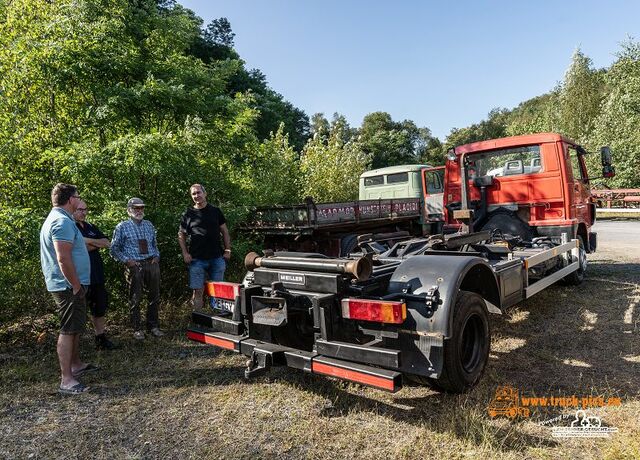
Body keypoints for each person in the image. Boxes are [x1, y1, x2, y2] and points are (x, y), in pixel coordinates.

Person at [40, 183, 97, 395]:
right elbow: (63, 258)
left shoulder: (61, 220)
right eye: (77, 196)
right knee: (68, 328)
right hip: (67, 285)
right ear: (71, 199)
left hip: (71, 283)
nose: (79, 200)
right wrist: (75, 285)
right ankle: (67, 380)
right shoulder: (61, 221)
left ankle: (75, 365)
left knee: (75, 326)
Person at [110, 197, 164, 340]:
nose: (139, 211)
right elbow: (114, 249)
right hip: (135, 266)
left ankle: (153, 326)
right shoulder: (122, 227)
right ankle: (137, 328)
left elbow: (154, 245)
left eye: (141, 208)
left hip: (151, 263)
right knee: (135, 297)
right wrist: (127, 261)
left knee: (154, 296)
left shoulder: (149, 225)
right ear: (129, 210)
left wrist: (157, 256)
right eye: (135, 208)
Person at [73, 199, 118, 350]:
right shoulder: (70, 227)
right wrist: (92, 244)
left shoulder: (90, 226)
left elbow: (106, 242)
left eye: (85, 209)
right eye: (80, 209)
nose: (83, 212)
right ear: (73, 209)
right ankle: (75, 345)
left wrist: (87, 242)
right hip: (80, 277)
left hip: (97, 274)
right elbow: (77, 248)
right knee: (79, 311)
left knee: (99, 307)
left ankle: (100, 338)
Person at [178, 184, 231, 309]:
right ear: (191, 196)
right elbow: (181, 234)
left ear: (205, 193)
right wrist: (185, 253)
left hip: (217, 258)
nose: (197, 196)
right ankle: (198, 321)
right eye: (194, 194)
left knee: (218, 292)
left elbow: (225, 231)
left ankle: (218, 320)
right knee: (198, 292)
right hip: (196, 260)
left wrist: (228, 250)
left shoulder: (215, 211)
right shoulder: (188, 214)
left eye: (199, 192)